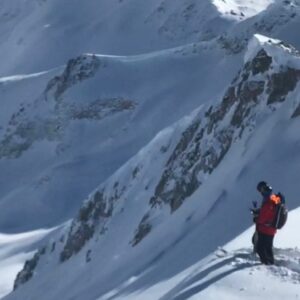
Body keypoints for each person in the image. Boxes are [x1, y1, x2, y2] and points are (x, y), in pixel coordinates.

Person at [251, 181, 280, 265]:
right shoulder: (273, 197)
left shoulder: (268, 200)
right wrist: (259, 211)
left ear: (263, 189)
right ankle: (270, 262)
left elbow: (264, 215)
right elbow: (271, 211)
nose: (260, 192)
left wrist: (257, 219)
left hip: (265, 228)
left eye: (260, 190)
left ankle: (266, 264)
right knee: (268, 247)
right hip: (272, 228)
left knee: (260, 247)